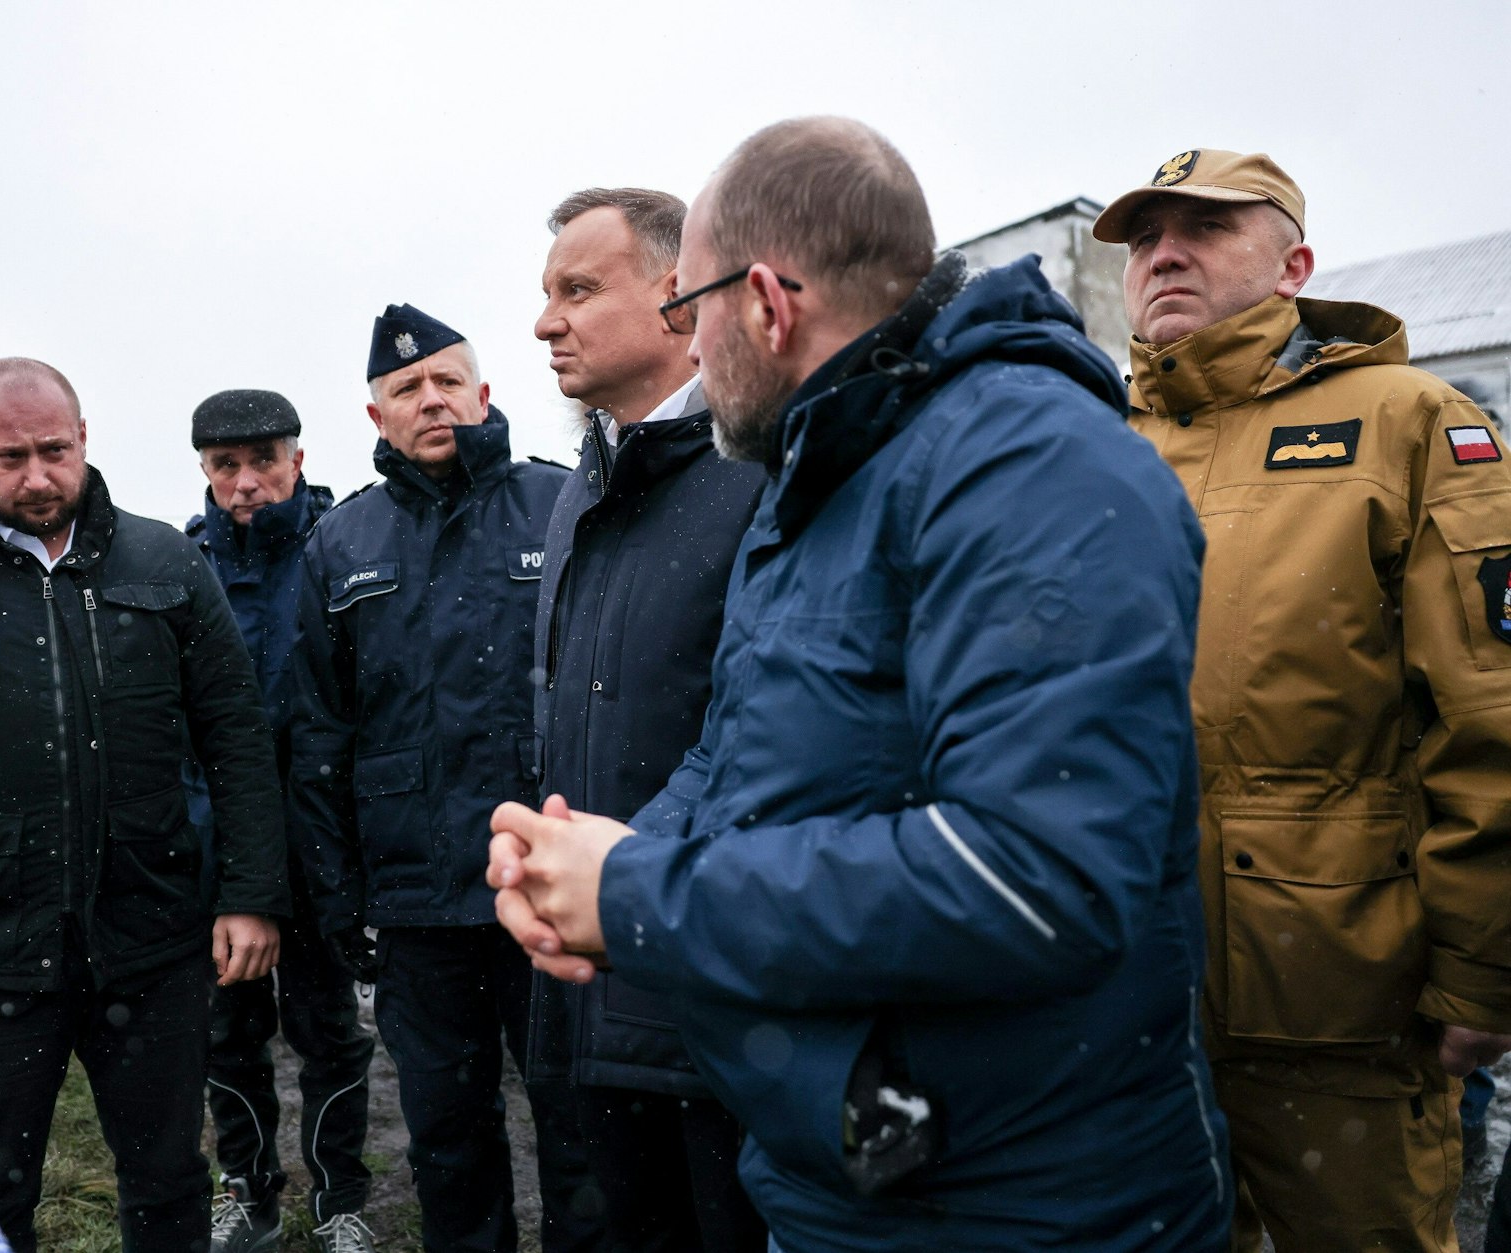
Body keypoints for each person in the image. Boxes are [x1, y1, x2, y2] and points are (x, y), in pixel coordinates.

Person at [489, 117, 1231, 1252]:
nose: (688, 342)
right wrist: (592, 860)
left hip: (1021, 1204)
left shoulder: (1027, 463)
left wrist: (639, 891)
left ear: (768, 305)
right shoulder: (823, 481)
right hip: (860, 1176)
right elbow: (735, 745)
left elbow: (1038, 875)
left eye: (688, 305)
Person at [1091, 148, 1511, 1252]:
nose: (1162, 254)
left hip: (1340, 996)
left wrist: (1481, 969)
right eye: (1142, 238)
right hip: (1125, 995)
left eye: (1204, 228)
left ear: (1293, 265)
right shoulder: (1095, 443)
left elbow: (1491, 710)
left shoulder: (1410, 422)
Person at [0, 357, 291, 1253]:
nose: (37, 477)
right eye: (9, 457)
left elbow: (235, 736)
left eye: (55, 451)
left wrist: (252, 891)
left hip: (152, 939)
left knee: (169, 1179)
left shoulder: (165, 560)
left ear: (85, 440)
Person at [290, 306, 599, 1253]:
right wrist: (341, 894)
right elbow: (318, 731)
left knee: (584, 1132)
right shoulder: (341, 544)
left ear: (484, 395)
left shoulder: (564, 503)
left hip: (549, 887)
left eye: (446, 382)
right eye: (406, 390)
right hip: (418, 903)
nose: (430, 400)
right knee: (447, 1141)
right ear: (376, 416)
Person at [528, 186, 766, 1251]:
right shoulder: (582, 485)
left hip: (715, 990)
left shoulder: (763, 468)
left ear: (677, 297)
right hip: (588, 985)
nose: (545, 322)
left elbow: (762, 735)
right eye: (544, 295)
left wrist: (642, 883)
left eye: (578, 289)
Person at [181, 388, 377, 1253]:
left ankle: (340, 1200)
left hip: (321, 841)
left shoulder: (343, 549)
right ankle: (249, 1188)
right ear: (206, 473)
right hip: (217, 848)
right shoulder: (183, 568)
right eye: (227, 466)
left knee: (328, 1027)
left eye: (264, 461)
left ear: (298, 459)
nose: (247, 482)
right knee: (228, 1034)